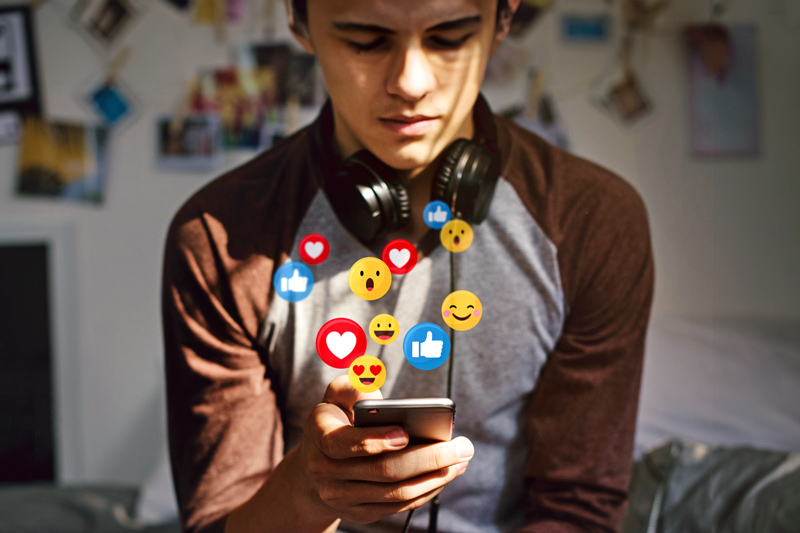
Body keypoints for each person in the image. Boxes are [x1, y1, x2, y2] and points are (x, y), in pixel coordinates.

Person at [161, 0, 655, 531]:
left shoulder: (592, 221)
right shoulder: (219, 237)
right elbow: (220, 523)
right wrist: (310, 489)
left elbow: (577, 511)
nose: (411, 83)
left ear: (503, 20)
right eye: (365, 40)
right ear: (298, 21)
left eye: (449, 38)